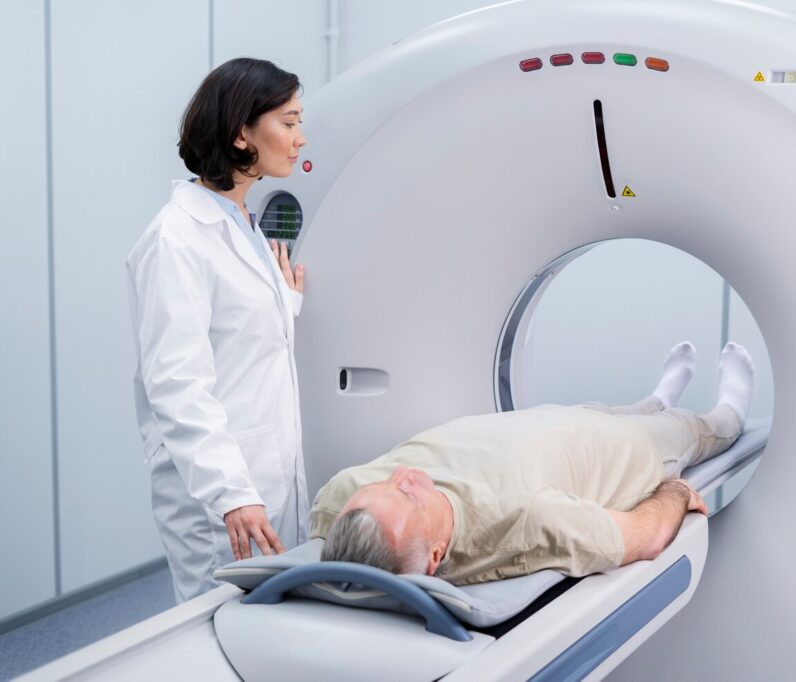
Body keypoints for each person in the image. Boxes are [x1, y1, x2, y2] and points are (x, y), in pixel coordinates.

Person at [312, 341, 756, 585]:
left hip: (550, 422)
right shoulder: (524, 522)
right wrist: (675, 491)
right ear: (435, 556)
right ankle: (731, 410)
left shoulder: (339, 499)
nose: (404, 474)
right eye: (408, 495)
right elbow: (646, 537)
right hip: (614, 455)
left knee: (609, 409)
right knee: (688, 429)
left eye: (386, 485)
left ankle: (657, 397)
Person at [127, 58, 310, 602]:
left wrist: (285, 302)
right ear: (240, 134)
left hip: (263, 470)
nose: (300, 138)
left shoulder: (241, 221)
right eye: (289, 122)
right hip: (221, 492)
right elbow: (176, 383)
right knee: (220, 625)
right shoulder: (176, 239)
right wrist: (231, 493)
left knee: (274, 622)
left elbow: (234, 334)